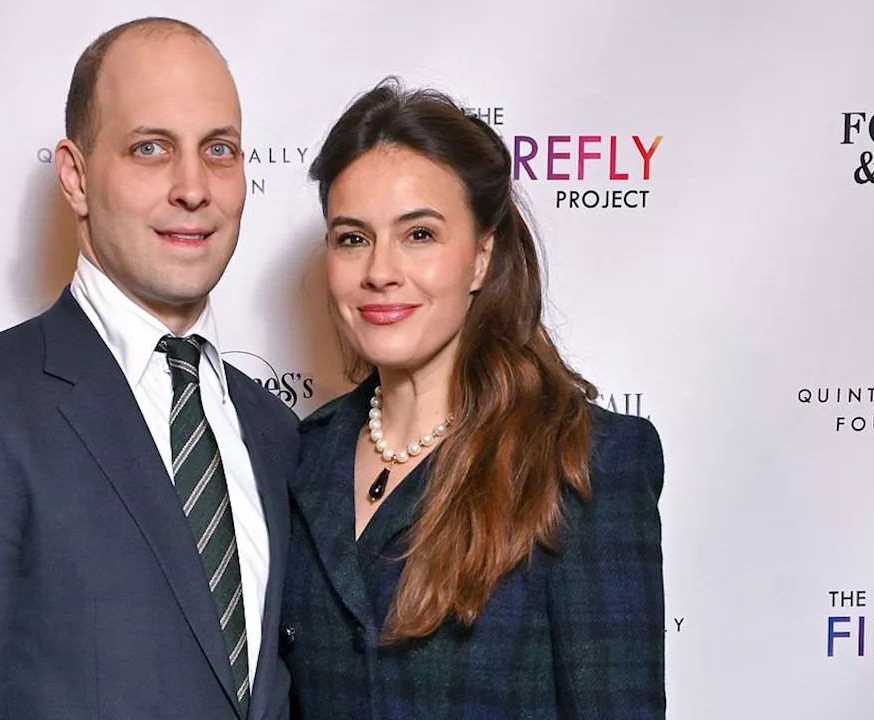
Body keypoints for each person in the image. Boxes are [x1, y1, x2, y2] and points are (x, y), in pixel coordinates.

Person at [0, 17, 298, 719]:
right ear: (75, 176)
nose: (194, 187)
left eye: (218, 150)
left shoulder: (277, 434)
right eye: (150, 148)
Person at [280, 79, 666, 719]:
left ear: (482, 258)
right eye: (352, 237)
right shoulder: (300, 457)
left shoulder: (584, 462)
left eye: (420, 235)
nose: (380, 270)